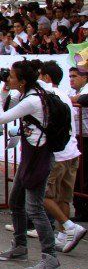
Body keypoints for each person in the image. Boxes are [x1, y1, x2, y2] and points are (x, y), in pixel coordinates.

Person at [0, 61, 61, 269]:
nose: (8, 79)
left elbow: (1, 117)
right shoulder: (32, 94)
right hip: (31, 156)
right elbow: (10, 107)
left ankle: (50, 258)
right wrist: (5, 92)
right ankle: (20, 247)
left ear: (22, 81)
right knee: (15, 201)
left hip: (39, 158)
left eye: (11, 76)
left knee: (35, 208)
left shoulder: (32, 100)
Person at [36, 61, 86, 253]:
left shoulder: (49, 95)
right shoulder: (64, 95)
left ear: (46, 78)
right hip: (72, 151)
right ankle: (65, 234)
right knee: (63, 197)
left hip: (58, 154)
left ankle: (69, 226)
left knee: (43, 195)